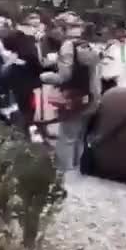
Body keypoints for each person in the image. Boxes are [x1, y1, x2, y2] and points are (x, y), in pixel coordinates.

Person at [40, 12, 102, 171]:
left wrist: (46, 76)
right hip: (91, 96)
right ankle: (77, 168)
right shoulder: (87, 45)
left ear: (63, 29)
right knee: (79, 136)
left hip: (73, 97)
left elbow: (64, 76)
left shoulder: (68, 46)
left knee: (67, 137)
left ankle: (64, 172)